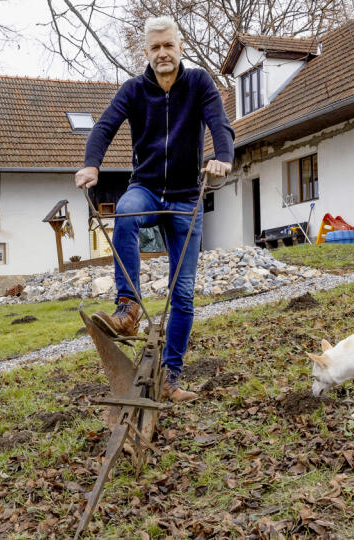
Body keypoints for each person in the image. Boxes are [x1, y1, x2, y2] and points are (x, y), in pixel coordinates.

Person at [75, 15, 234, 403]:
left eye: (169, 45)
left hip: (184, 196)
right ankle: (127, 308)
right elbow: (104, 128)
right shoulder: (134, 90)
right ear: (145, 53)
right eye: (155, 47)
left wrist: (222, 157)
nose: (163, 53)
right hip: (144, 188)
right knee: (125, 215)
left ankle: (171, 378)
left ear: (180, 47)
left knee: (182, 294)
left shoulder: (198, 84)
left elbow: (219, 124)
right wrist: (92, 163)